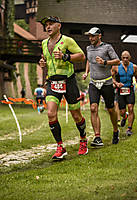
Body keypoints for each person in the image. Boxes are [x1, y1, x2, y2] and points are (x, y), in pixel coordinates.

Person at [39, 16, 88, 159]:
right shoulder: (44, 43)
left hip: (69, 81)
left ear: (59, 26)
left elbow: (81, 56)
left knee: (76, 115)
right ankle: (60, 146)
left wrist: (65, 56)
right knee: (50, 114)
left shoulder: (68, 40)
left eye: (51, 24)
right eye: (46, 25)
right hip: (53, 83)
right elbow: (47, 60)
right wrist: (43, 64)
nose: (48, 27)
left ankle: (83, 139)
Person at [82, 27, 120, 146]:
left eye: (93, 36)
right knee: (93, 108)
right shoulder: (88, 48)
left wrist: (105, 62)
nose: (90, 38)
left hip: (106, 82)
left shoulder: (107, 47)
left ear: (99, 36)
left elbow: (117, 61)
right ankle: (97, 137)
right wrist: (86, 72)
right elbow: (89, 60)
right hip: (93, 83)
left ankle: (115, 130)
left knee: (110, 109)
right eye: (89, 36)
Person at [111, 50, 137, 136]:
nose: (125, 59)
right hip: (120, 90)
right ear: (121, 58)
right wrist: (116, 83)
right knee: (122, 112)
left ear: (130, 58)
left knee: (131, 108)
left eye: (127, 58)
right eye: (123, 58)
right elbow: (111, 77)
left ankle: (129, 129)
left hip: (130, 89)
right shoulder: (116, 66)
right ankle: (125, 116)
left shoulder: (134, 67)